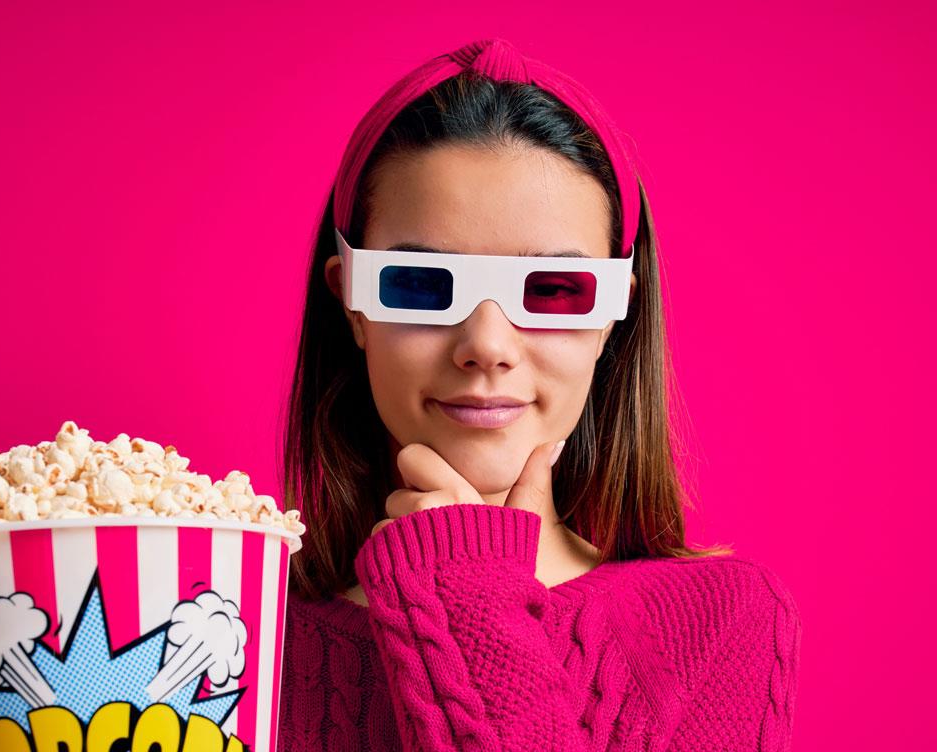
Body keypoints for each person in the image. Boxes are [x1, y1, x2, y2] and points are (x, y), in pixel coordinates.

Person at [276, 37, 801, 751]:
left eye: (554, 291)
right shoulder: (233, 629)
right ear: (353, 306)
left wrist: (466, 596)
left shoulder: (719, 619)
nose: (486, 345)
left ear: (614, 318)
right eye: (422, 285)